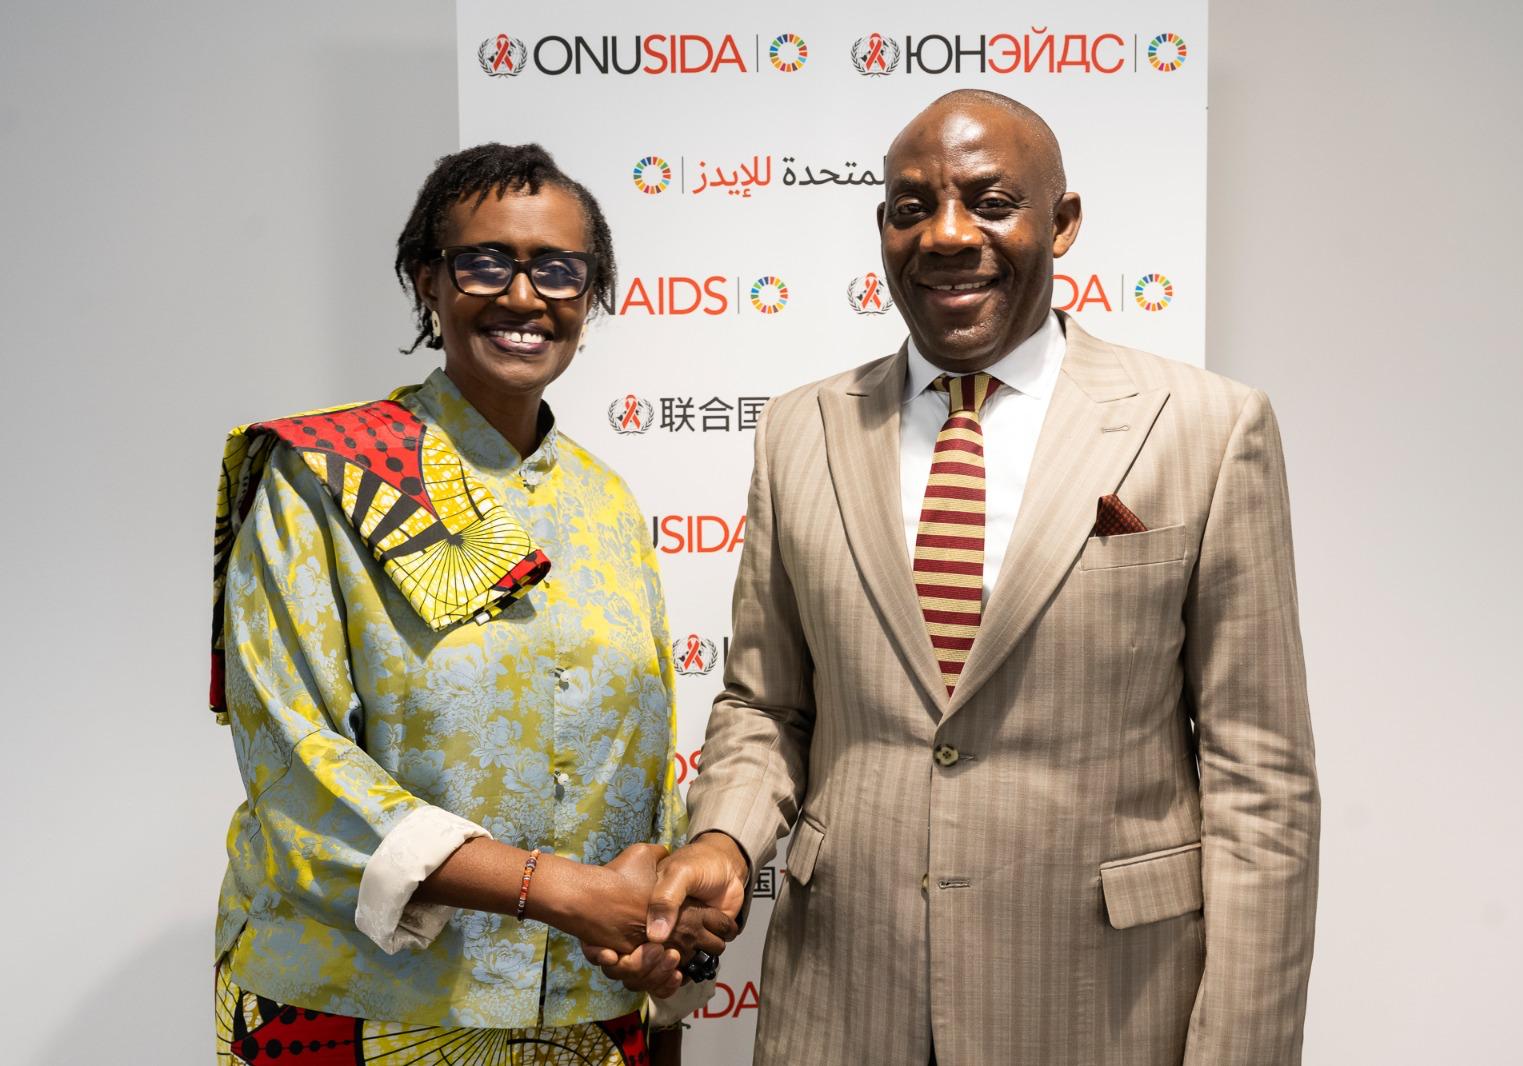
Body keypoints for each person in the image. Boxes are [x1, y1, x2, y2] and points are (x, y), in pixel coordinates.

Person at [631, 90, 1321, 1064]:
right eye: (913, 208)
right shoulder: (801, 429)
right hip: (843, 1001)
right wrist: (724, 842)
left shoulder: (1205, 427)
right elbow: (765, 705)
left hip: (1105, 1004)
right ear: (883, 230)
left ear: (1063, 222)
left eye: (990, 201)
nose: (948, 234)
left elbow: (1262, 780)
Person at [210, 143, 729, 1066]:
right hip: (359, 1008)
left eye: (559, 271)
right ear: (428, 282)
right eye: (486, 262)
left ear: (591, 295)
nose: (524, 297)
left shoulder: (606, 504)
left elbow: (642, 773)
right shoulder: (320, 478)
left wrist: (651, 921)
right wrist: (555, 890)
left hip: (583, 1010)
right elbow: (298, 763)